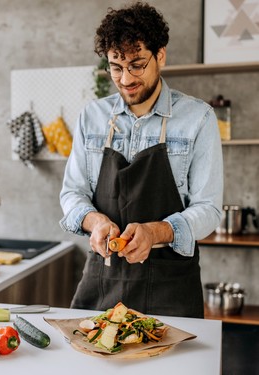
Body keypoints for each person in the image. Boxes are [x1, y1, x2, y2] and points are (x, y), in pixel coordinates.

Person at [59, 2, 223, 318]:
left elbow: (209, 209)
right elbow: (71, 193)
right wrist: (95, 222)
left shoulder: (198, 118)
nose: (125, 79)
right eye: (116, 67)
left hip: (170, 284)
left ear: (160, 55)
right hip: (102, 278)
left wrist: (156, 231)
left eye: (137, 64)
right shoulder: (91, 117)